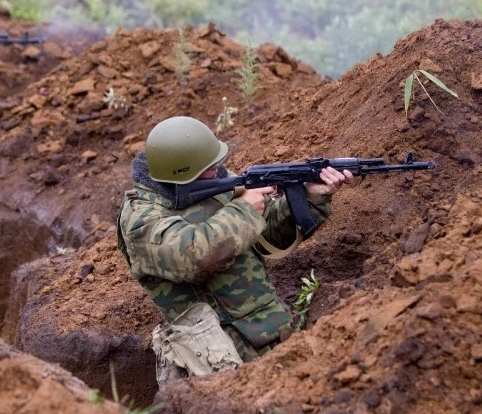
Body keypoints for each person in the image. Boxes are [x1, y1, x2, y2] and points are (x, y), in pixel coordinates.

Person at [117, 116, 353, 385]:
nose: (219, 169)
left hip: (273, 331)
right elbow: (193, 257)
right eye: (210, 166)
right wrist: (244, 210)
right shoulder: (141, 219)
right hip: (218, 360)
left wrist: (312, 196)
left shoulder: (212, 183)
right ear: (183, 173)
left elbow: (266, 234)